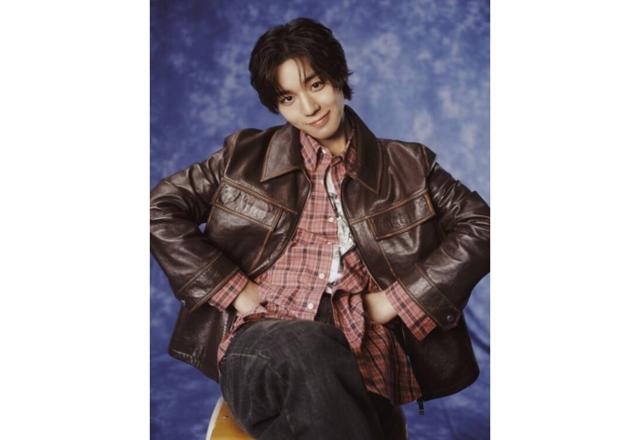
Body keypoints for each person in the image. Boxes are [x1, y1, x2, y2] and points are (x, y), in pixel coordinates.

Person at [150, 17, 489, 440]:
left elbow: (483, 225)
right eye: (288, 97)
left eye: (316, 85)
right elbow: (159, 208)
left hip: (363, 351)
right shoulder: (244, 157)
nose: (308, 108)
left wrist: (399, 300)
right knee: (308, 348)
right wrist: (233, 288)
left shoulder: (409, 166)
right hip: (262, 337)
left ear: (339, 78)